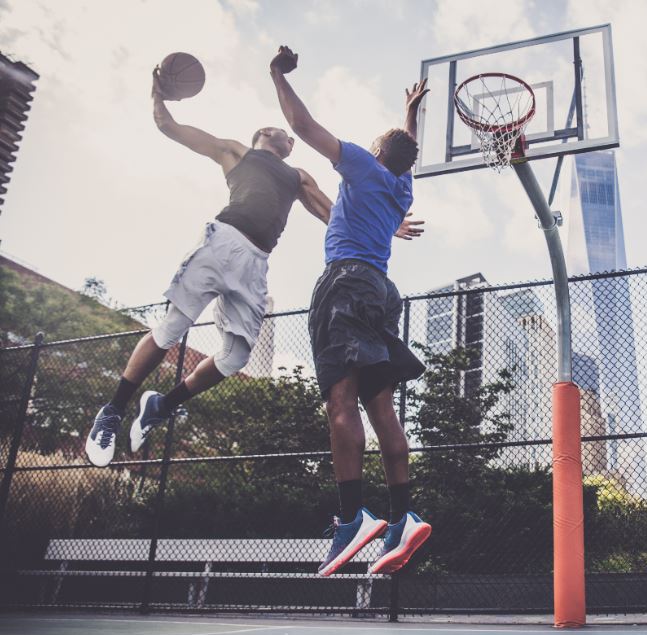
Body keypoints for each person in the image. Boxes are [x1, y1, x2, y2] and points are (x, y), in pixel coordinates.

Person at [84, 65, 421, 468]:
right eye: (283, 133)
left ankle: (160, 405)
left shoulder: (298, 176)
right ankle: (113, 410)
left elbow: (333, 213)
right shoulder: (234, 152)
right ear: (264, 132)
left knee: (234, 357)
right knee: (174, 327)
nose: (290, 138)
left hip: (256, 262)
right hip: (222, 242)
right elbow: (167, 126)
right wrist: (157, 90)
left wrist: (385, 218)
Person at [269, 45, 431, 576]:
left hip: (346, 284)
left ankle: (351, 516)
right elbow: (409, 150)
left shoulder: (364, 165)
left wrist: (276, 73)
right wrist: (409, 113)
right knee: (381, 407)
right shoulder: (401, 187)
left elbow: (300, 122)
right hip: (382, 292)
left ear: (375, 149)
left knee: (341, 403)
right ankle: (403, 516)